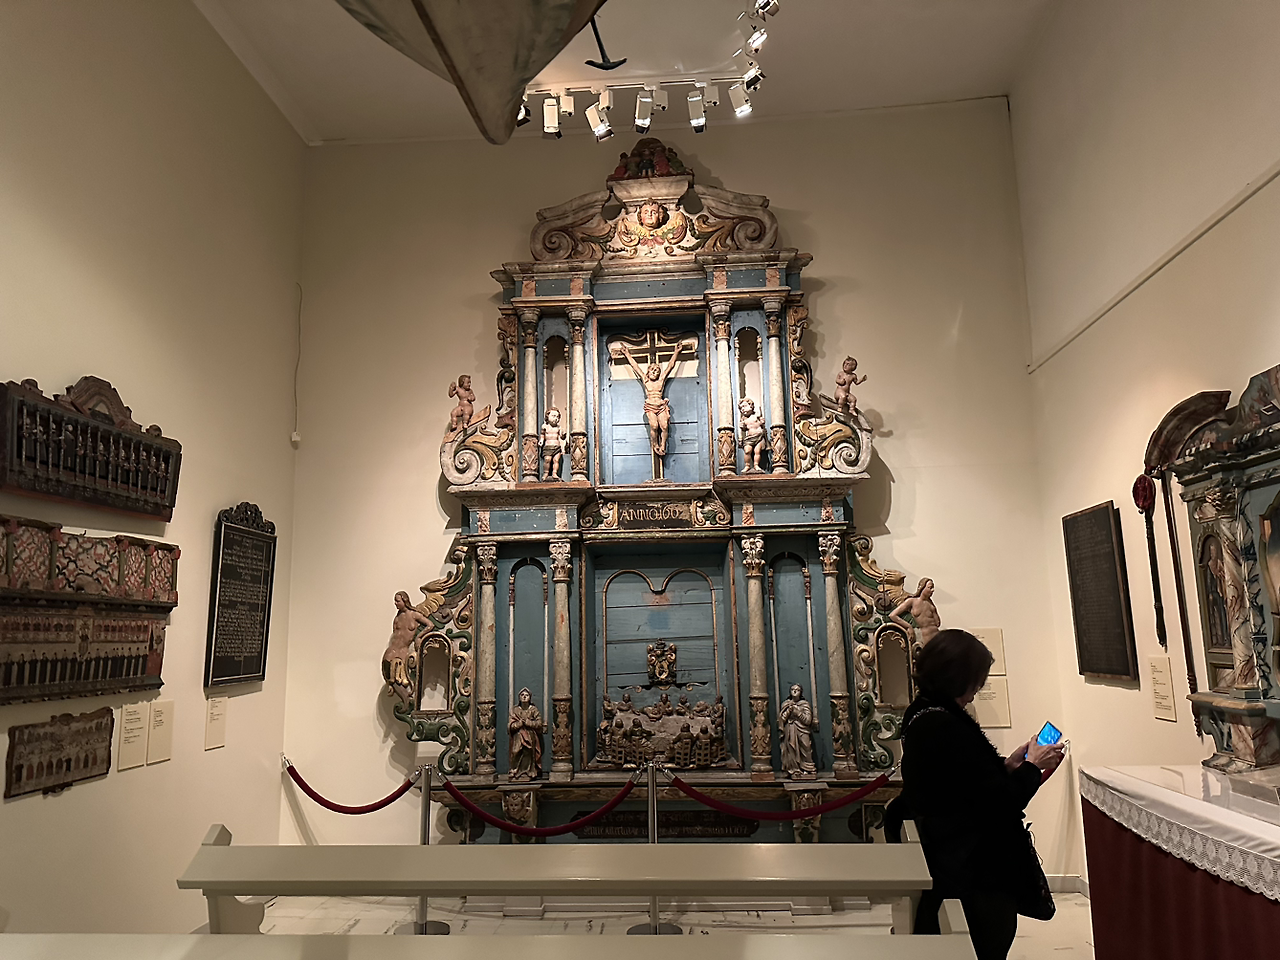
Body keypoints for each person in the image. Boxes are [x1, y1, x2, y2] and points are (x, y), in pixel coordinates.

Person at [900, 629, 1064, 960]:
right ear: (958, 678)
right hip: (973, 870)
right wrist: (1033, 768)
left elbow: (959, 783)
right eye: (975, 683)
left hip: (951, 856)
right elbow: (999, 805)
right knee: (985, 947)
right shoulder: (945, 724)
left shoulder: (923, 712)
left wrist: (1007, 766)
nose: (975, 693)